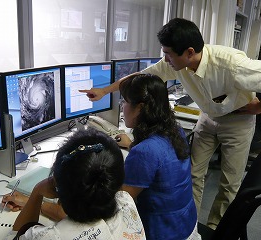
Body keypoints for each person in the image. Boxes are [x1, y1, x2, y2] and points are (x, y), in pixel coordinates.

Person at [79, 18, 261, 230]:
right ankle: (189, 223)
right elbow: (140, 77)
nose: (165, 59)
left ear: (189, 52)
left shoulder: (230, 64)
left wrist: (259, 107)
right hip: (208, 117)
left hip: (237, 121)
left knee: (230, 183)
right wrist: (104, 91)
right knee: (193, 174)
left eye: (168, 54)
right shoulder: (176, 64)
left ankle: (216, 229)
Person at [3, 128, 146, 240]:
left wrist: (37, 191)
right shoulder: (127, 202)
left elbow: (15, 235)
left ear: (57, 188)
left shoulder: (51, 237)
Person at [115, 73, 200, 239]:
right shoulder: (175, 130)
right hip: (186, 225)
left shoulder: (144, 152)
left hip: (164, 233)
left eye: (124, 101)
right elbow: (160, 158)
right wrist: (131, 145)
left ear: (139, 107)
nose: (122, 106)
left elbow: (121, 203)